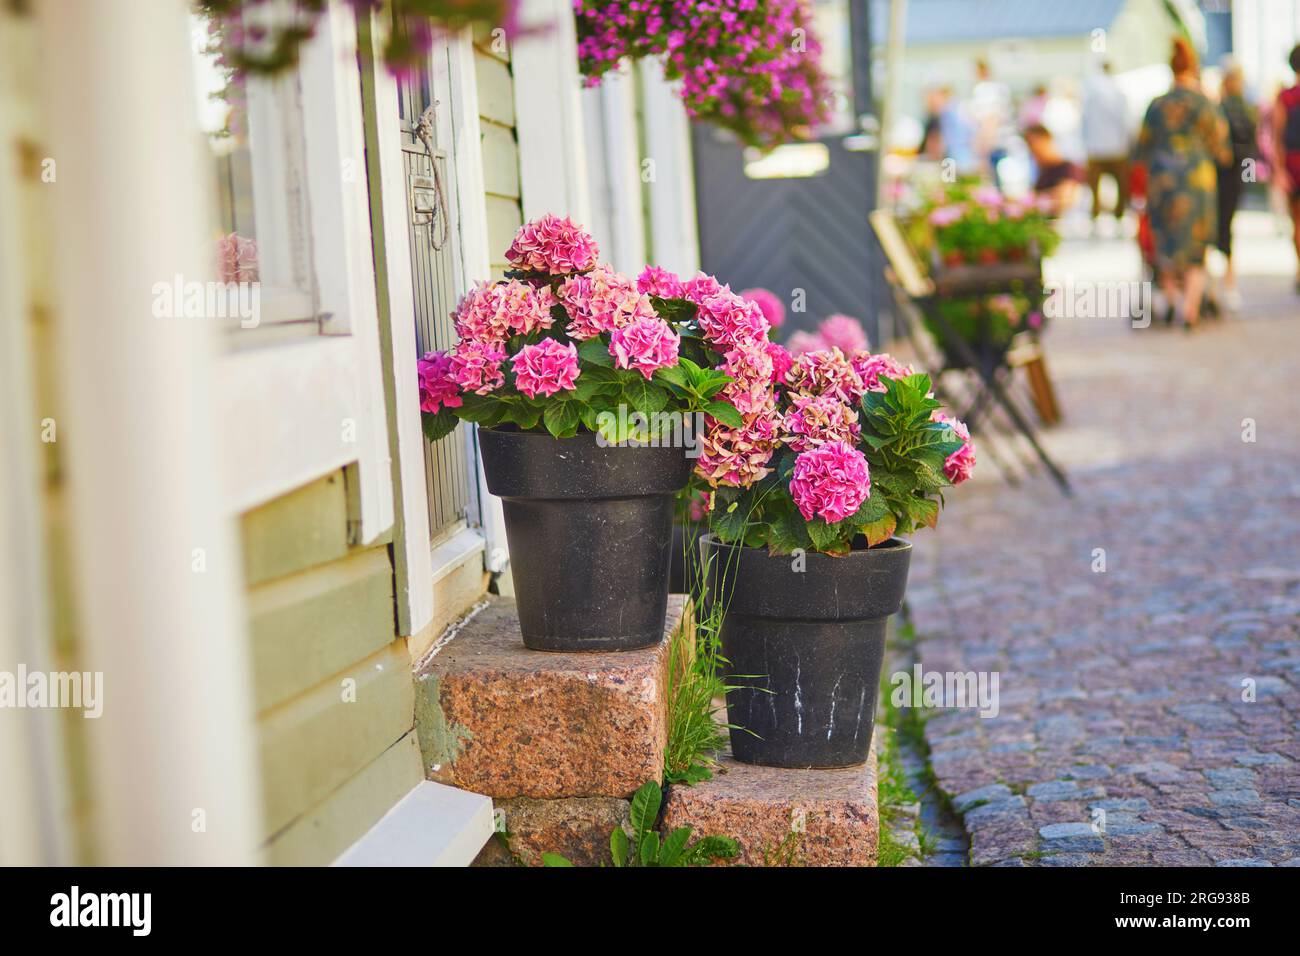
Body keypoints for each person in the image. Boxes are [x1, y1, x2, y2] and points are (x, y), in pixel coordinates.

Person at [1133, 38, 1228, 329]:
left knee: (1166, 242)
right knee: (1196, 246)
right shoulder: (1205, 104)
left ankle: (1173, 301)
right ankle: (1190, 309)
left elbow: (1141, 149)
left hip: (1162, 180)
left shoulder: (1157, 105)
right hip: (1196, 180)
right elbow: (1222, 150)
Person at [1216, 58, 1256, 311]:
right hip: (1238, 174)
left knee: (1220, 227)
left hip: (1221, 174)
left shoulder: (1221, 107)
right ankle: (1228, 283)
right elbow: (1252, 149)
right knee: (1227, 226)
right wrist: (1248, 178)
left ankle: (1223, 284)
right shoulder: (1247, 108)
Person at [1082, 62, 1132, 229]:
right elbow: (1125, 121)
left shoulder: (1091, 92)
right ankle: (1118, 215)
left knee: (1095, 187)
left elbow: (1085, 121)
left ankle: (1095, 215)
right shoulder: (1118, 92)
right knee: (1120, 184)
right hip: (1117, 146)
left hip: (1096, 146)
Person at [1273, 44, 1300, 292]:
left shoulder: (1286, 97)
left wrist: (1279, 170)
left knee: (1297, 221)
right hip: (1294, 163)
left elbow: (1277, 136)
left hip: (1293, 164)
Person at [1024, 123, 1083, 216]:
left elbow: (1064, 199)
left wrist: (1033, 200)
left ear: (1047, 139)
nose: (1032, 151)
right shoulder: (1043, 172)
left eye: (1033, 144)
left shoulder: (1068, 168)